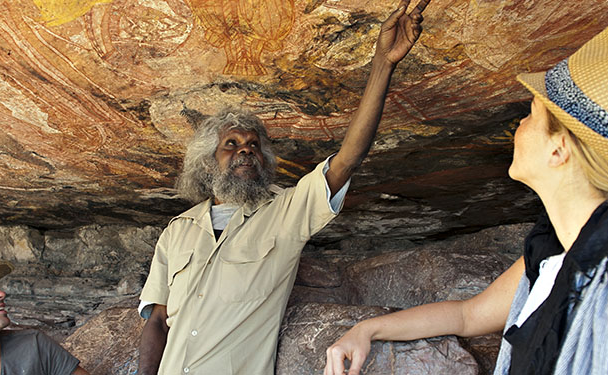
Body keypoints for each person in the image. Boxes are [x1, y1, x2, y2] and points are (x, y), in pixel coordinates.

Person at [325, 25, 608, 375]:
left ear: (559, 149)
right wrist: (367, 329)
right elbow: (467, 315)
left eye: (530, 114)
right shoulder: (561, 250)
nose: (518, 126)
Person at [135, 1, 430, 373]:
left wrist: (382, 64)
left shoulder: (285, 214)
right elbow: (158, 321)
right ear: (208, 161)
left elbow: (347, 159)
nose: (245, 149)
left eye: (254, 145)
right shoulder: (177, 232)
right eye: (232, 144)